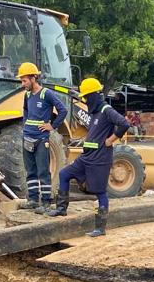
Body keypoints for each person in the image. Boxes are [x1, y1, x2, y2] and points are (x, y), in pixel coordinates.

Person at [49, 77, 130, 237]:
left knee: (100, 192)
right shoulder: (94, 113)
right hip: (86, 158)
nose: (84, 100)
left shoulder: (106, 110)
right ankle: (61, 209)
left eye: (86, 97)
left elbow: (124, 124)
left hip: (100, 159)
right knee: (64, 174)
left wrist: (109, 140)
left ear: (93, 95)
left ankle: (100, 228)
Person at [15, 61, 66, 214]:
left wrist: (52, 126)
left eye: (24, 80)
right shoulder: (27, 95)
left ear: (33, 78)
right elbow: (25, 110)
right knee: (30, 171)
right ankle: (32, 200)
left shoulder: (46, 94)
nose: (23, 83)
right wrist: (25, 126)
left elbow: (63, 110)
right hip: (28, 138)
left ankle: (46, 202)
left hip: (41, 139)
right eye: (22, 81)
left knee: (43, 171)